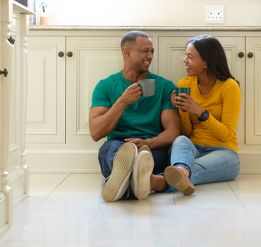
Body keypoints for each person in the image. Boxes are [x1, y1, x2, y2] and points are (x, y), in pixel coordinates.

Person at [89, 31, 180, 202]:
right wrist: (123, 101)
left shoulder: (165, 86)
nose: (150, 56)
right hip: (119, 144)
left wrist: (147, 143)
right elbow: (95, 132)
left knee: (149, 158)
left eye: (152, 51)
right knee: (109, 150)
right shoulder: (106, 86)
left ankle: (119, 185)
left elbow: (173, 131)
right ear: (127, 51)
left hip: (151, 145)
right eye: (145, 51)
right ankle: (136, 182)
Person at [150, 35, 241, 195]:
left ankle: (154, 181)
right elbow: (186, 133)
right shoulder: (184, 85)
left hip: (223, 152)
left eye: (190, 57)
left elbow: (226, 135)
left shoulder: (229, 86)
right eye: (186, 55)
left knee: (192, 169)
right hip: (191, 149)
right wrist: (182, 110)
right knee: (180, 140)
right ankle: (178, 172)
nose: (184, 60)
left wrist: (199, 111)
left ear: (206, 62)